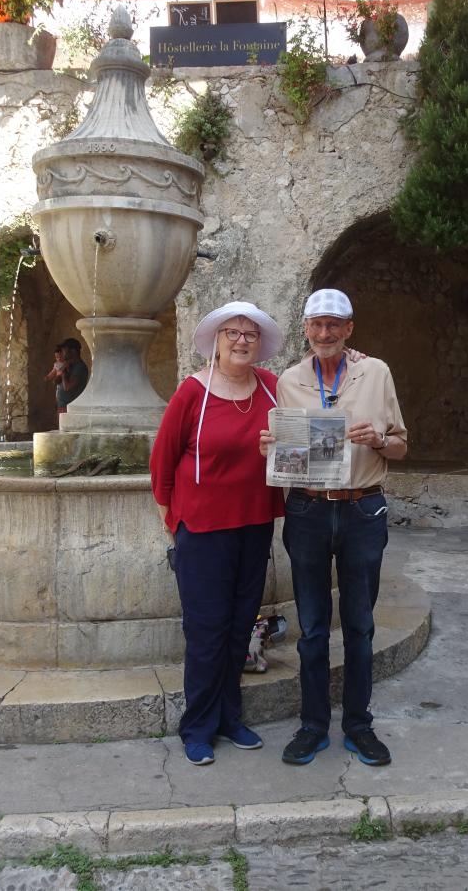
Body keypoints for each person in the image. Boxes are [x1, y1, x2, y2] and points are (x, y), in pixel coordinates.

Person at [260, 288, 408, 768]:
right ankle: (312, 725)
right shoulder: (289, 381)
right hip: (308, 510)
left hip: (363, 509)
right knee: (313, 626)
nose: (324, 333)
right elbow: (290, 451)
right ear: (306, 329)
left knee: (361, 624)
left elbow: (402, 446)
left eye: (333, 325)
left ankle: (359, 725)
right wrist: (273, 447)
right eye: (316, 324)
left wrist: (381, 440)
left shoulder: (377, 371)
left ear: (349, 329)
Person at [150, 301, 285, 766]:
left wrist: (353, 360)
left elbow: (313, 414)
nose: (242, 340)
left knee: (237, 627)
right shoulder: (192, 392)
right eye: (233, 332)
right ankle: (198, 727)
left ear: (260, 344)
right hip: (203, 529)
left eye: (250, 334)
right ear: (217, 340)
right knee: (206, 630)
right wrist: (174, 522)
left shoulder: (270, 387)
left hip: (254, 523)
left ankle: (230, 717)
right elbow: (161, 464)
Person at [56, 338, 89, 414]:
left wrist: (64, 372)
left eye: (64, 350)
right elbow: (56, 381)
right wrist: (64, 368)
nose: (62, 353)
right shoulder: (70, 365)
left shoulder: (80, 368)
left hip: (70, 409)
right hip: (62, 405)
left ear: (73, 351)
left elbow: (67, 387)